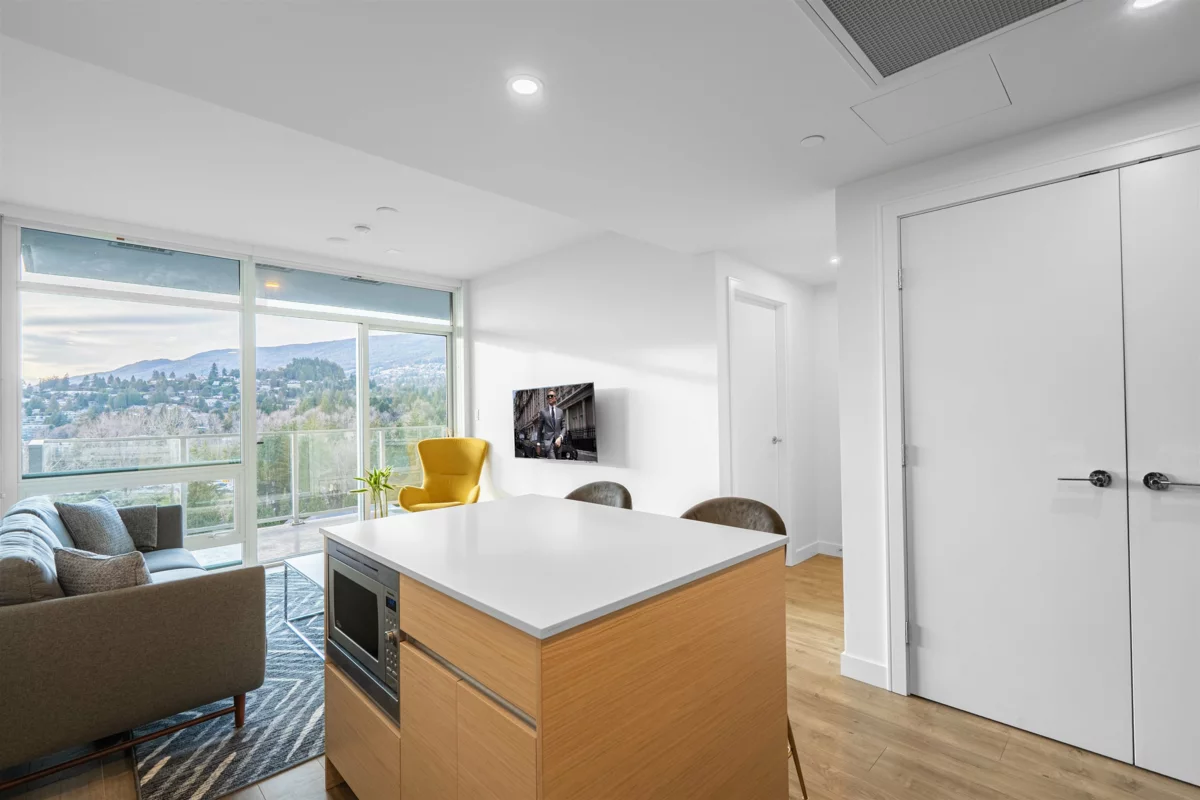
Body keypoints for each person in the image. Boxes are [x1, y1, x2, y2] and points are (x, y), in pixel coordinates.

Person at [537, 389, 566, 459]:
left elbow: (564, 427)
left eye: (551, 396)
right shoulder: (543, 412)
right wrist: (538, 444)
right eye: (548, 396)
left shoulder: (560, 411)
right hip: (548, 444)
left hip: (558, 443)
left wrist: (560, 437)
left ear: (555, 398)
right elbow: (539, 428)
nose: (549, 398)